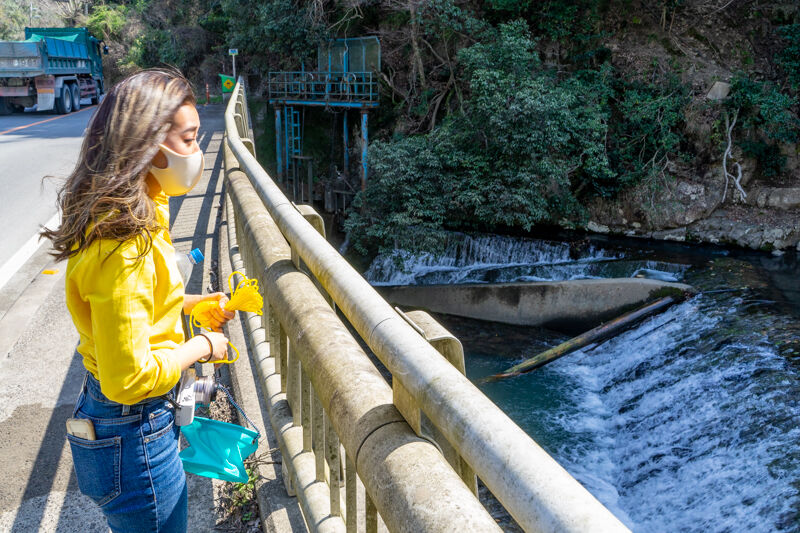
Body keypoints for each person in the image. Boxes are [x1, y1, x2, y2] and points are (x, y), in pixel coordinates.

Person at [41, 69, 235, 532]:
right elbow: (129, 380)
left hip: (130, 425)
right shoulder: (124, 245)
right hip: (133, 430)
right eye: (189, 139)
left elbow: (138, 302)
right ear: (149, 148)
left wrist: (190, 303)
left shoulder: (135, 207)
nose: (197, 151)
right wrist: (203, 346)